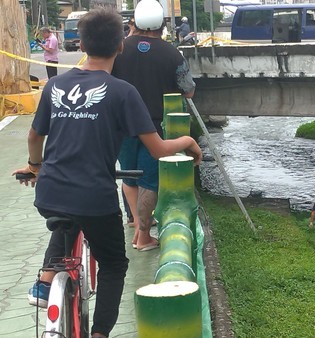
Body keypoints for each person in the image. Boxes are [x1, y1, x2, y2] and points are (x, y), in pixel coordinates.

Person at [12, 8, 202, 338]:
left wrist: (35, 167)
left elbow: (34, 137)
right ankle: (99, 333)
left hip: (50, 191)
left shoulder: (55, 85)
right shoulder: (122, 91)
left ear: (82, 44)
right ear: (120, 46)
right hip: (95, 197)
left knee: (66, 215)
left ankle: (45, 282)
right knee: (114, 264)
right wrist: (187, 140)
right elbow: (157, 150)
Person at [112, 0, 196, 251]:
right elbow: (189, 91)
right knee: (150, 180)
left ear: (134, 22)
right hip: (155, 125)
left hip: (121, 124)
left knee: (128, 174)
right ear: (162, 24)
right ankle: (144, 234)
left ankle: (135, 222)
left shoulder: (118, 48)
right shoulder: (172, 53)